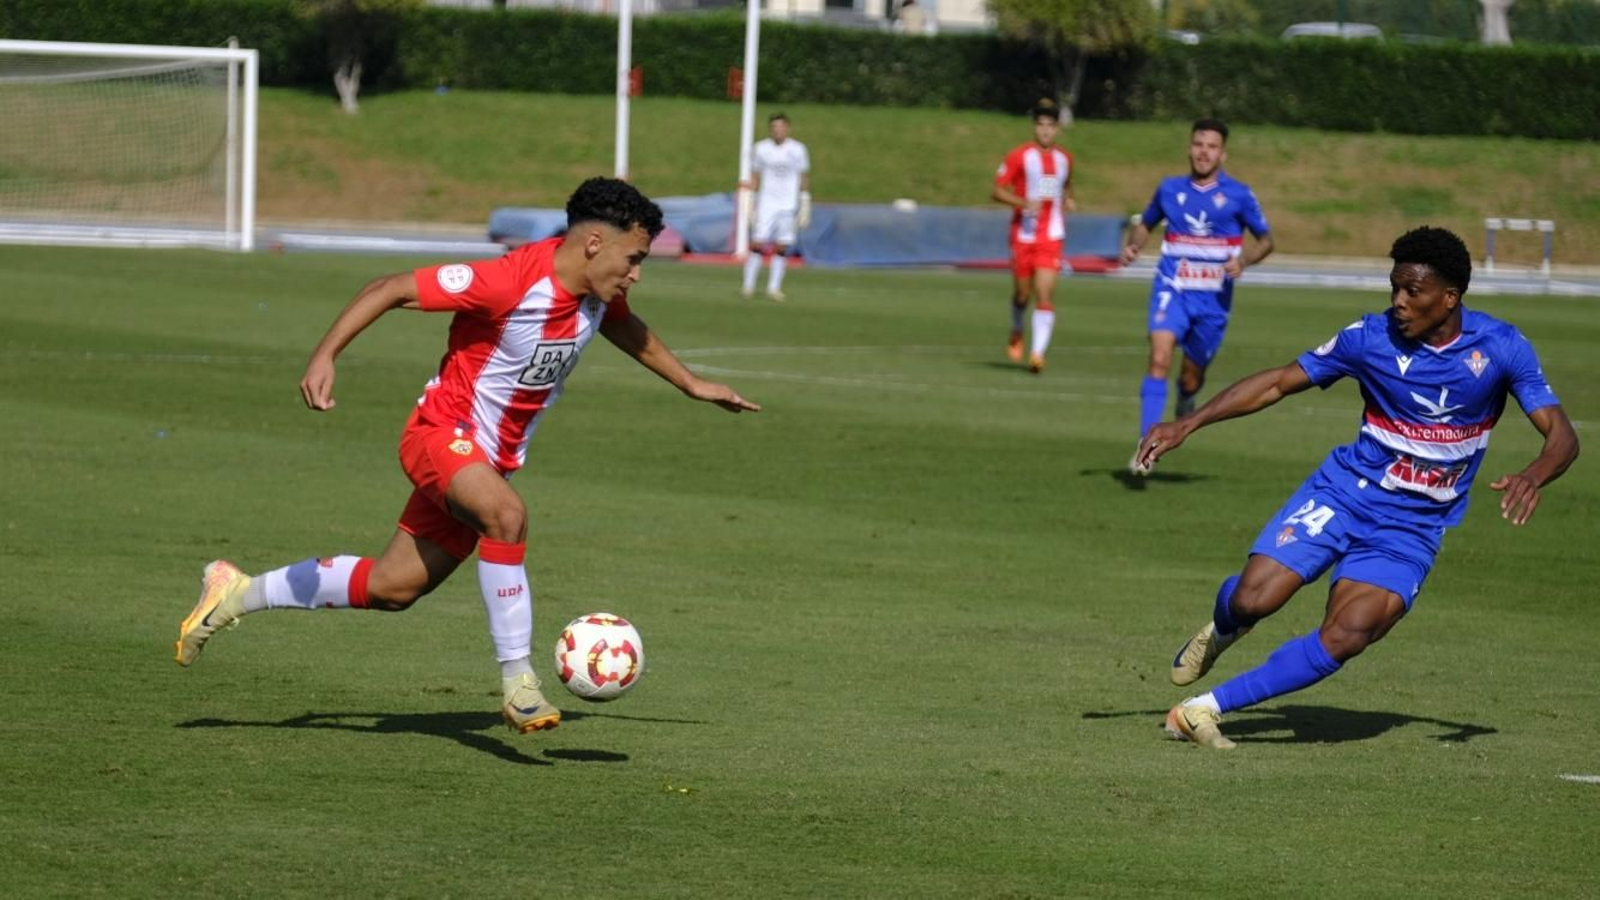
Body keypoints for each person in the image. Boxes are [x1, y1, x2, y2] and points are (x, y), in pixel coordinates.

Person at [175, 177, 761, 734]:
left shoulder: (597, 297)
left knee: (393, 587)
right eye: (633, 259)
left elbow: (629, 330)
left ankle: (238, 593)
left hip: (486, 461)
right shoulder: (508, 280)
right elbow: (391, 288)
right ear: (592, 243)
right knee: (506, 516)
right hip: (440, 432)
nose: (636, 274)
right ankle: (519, 683)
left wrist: (691, 384)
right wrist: (325, 356)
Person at [1135, 226, 1578, 750]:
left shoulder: (1502, 348)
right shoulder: (1369, 338)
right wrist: (1188, 423)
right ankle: (1224, 625)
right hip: (1346, 492)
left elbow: (1562, 436)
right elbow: (1279, 381)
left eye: (1413, 292)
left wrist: (1534, 473)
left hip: (1413, 526)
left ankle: (1201, 710)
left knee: (1350, 633)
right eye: (1394, 289)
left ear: (1450, 297)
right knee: (1255, 600)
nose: (1398, 303)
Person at [1121, 118, 1273, 472]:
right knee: (1158, 358)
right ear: (1189, 148)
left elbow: (1266, 241)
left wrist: (1244, 261)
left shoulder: (1238, 195)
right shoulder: (1169, 189)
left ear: (1223, 153)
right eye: (1198, 144)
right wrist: (1133, 245)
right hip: (1171, 289)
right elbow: (1144, 223)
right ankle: (1147, 446)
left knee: (1191, 377)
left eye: (1211, 146)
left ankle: (1187, 398)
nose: (1204, 152)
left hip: (1213, 301)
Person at [992, 98, 1075, 374]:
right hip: (1023, 236)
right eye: (1041, 125)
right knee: (1022, 294)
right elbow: (997, 190)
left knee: (1044, 293)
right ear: (1034, 127)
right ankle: (1017, 327)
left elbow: (1066, 187)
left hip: (1051, 236)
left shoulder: (1065, 159)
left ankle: (1038, 354)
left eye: (1050, 126)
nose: (1045, 131)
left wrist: (1069, 199)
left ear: (1057, 129)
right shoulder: (1020, 156)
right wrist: (1023, 203)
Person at [742, 112, 811, 302]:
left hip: (788, 204)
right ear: (770, 129)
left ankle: (774, 288)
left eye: (781, 127)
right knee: (758, 242)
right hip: (766, 203)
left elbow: (803, 176)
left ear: (787, 128)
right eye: (774, 127)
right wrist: (750, 201)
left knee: (782, 246)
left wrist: (805, 200)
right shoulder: (761, 148)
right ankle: (748, 286)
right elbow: (755, 176)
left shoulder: (798, 149)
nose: (777, 130)